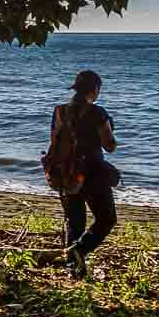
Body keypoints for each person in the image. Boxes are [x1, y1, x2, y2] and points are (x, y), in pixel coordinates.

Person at [51, 69, 119, 278]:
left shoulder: (60, 111)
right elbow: (110, 146)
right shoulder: (97, 112)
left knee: (75, 221)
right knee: (106, 219)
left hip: (67, 171)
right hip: (92, 172)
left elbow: (54, 142)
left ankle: (74, 269)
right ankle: (79, 250)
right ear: (95, 90)